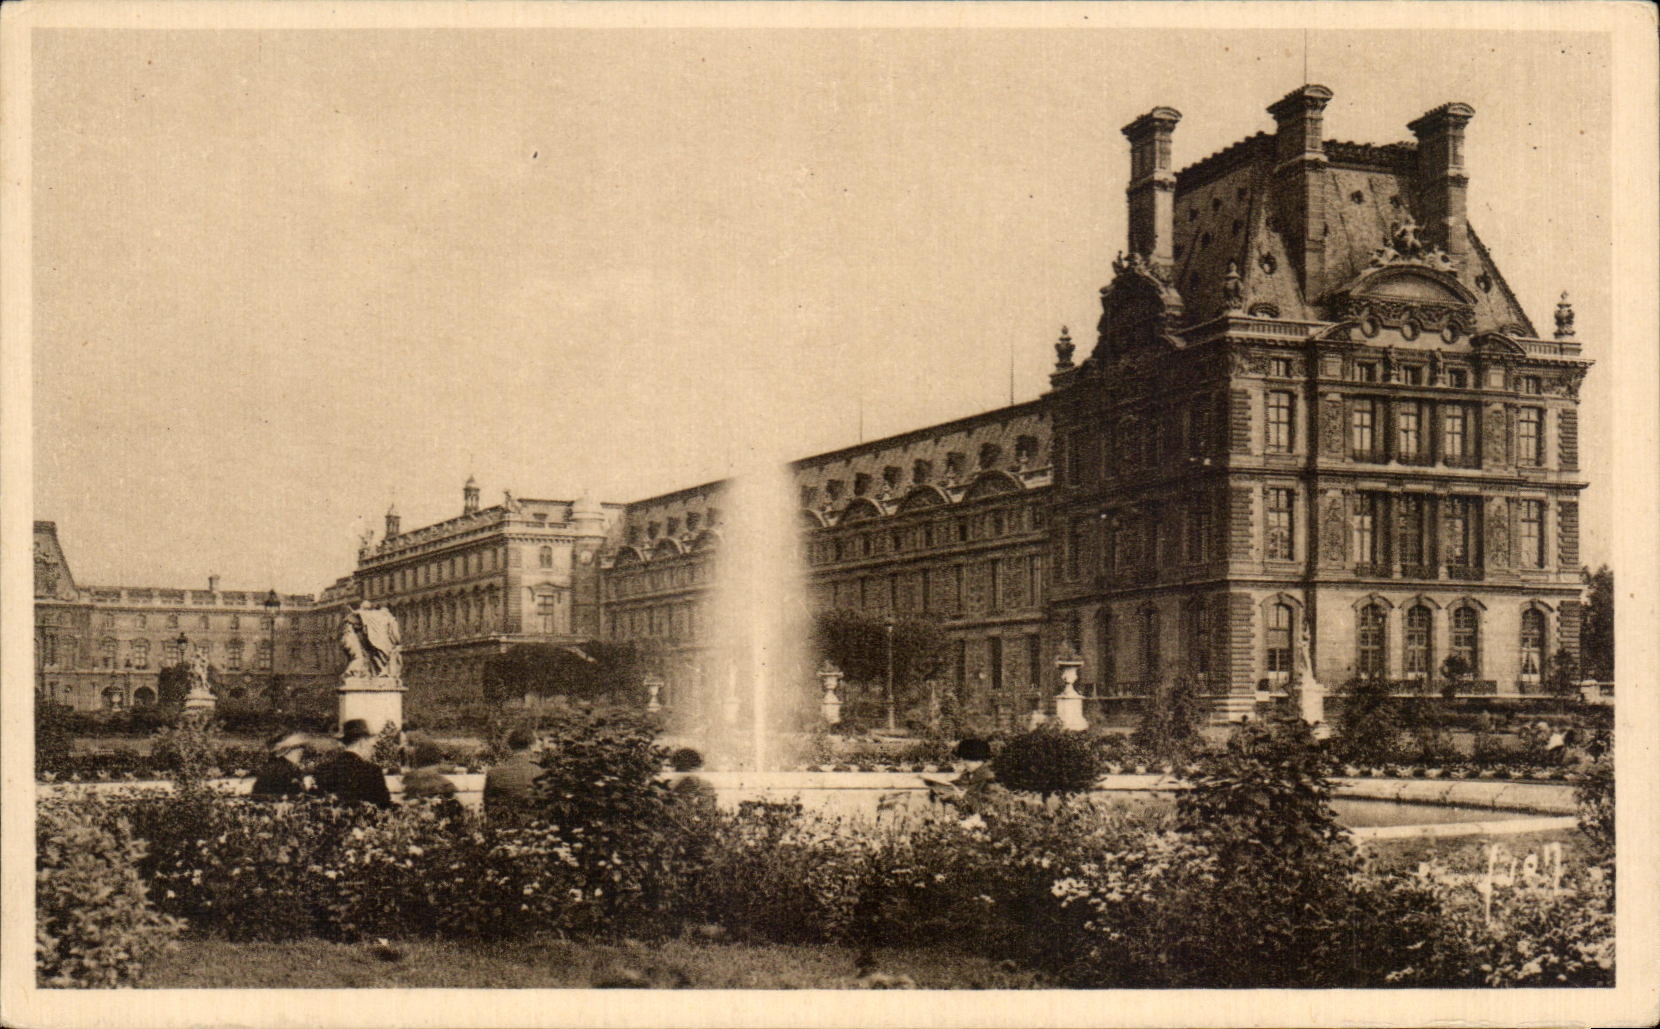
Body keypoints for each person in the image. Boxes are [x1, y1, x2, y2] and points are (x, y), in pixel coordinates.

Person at [309, 718, 393, 809]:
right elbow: (385, 809)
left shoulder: (322, 769)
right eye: (371, 745)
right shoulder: (372, 771)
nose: (372, 749)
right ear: (362, 742)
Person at [483, 728, 541, 824]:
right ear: (531, 746)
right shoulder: (539, 772)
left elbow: (488, 806)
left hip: (503, 829)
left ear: (510, 746)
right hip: (534, 829)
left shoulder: (494, 773)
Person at [248, 731, 309, 799]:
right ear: (286, 750)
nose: (302, 751)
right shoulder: (280, 769)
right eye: (300, 747)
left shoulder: (290, 768)